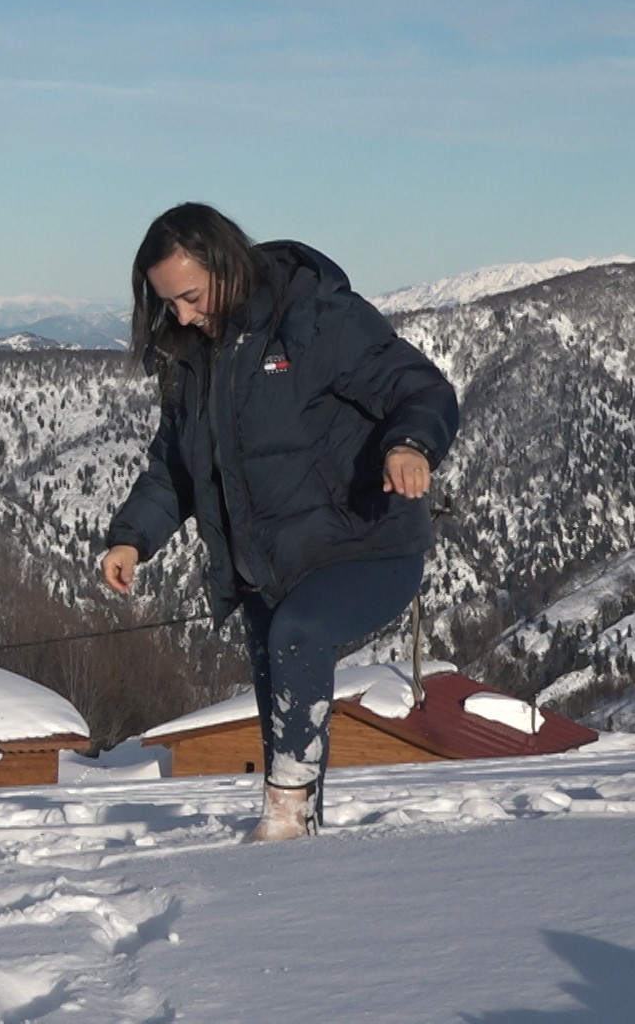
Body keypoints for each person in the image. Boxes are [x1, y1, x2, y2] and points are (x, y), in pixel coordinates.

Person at [102, 202, 458, 841]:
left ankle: (287, 824)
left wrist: (409, 445)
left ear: (226, 265)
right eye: (168, 304)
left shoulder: (311, 317)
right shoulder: (193, 356)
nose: (181, 315)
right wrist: (132, 538)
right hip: (267, 573)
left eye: (190, 296)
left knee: (297, 638)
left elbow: (422, 389)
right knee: (285, 735)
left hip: (365, 547)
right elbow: (177, 466)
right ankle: (295, 870)